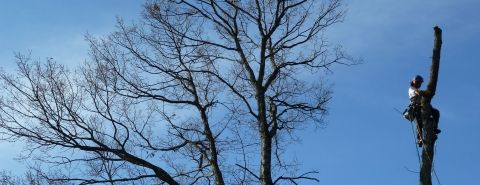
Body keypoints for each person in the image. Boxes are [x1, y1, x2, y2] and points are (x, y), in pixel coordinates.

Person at [408, 75, 440, 147]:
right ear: (413, 81)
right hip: (416, 107)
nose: (419, 84)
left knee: (436, 112)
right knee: (419, 123)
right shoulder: (411, 88)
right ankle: (419, 139)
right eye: (417, 82)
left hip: (424, 106)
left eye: (420, 83)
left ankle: (434, 128)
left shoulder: (417, 89)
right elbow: (418, 93)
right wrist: (427, 93)